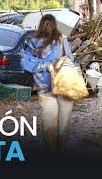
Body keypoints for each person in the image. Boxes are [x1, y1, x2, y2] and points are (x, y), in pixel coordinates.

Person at [21, 14, 75, 151]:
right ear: (42, 25)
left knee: (64, 123)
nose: (48, 27)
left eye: (50, 24)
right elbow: (25, 61)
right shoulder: (34, 41)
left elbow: (70, 59)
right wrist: (44, 66)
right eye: (46, 24)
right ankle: (51, 152)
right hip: (45, 87)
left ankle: (61, 151)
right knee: (49, 122)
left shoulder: (62, 40)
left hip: (64, 86)